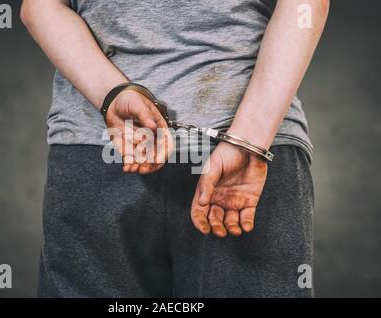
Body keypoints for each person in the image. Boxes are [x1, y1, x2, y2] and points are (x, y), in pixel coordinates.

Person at [21, 0, 329, 297]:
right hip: (248, 148)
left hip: (107, 141)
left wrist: (112, 95)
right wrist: (250, 139)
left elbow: (42, 7)